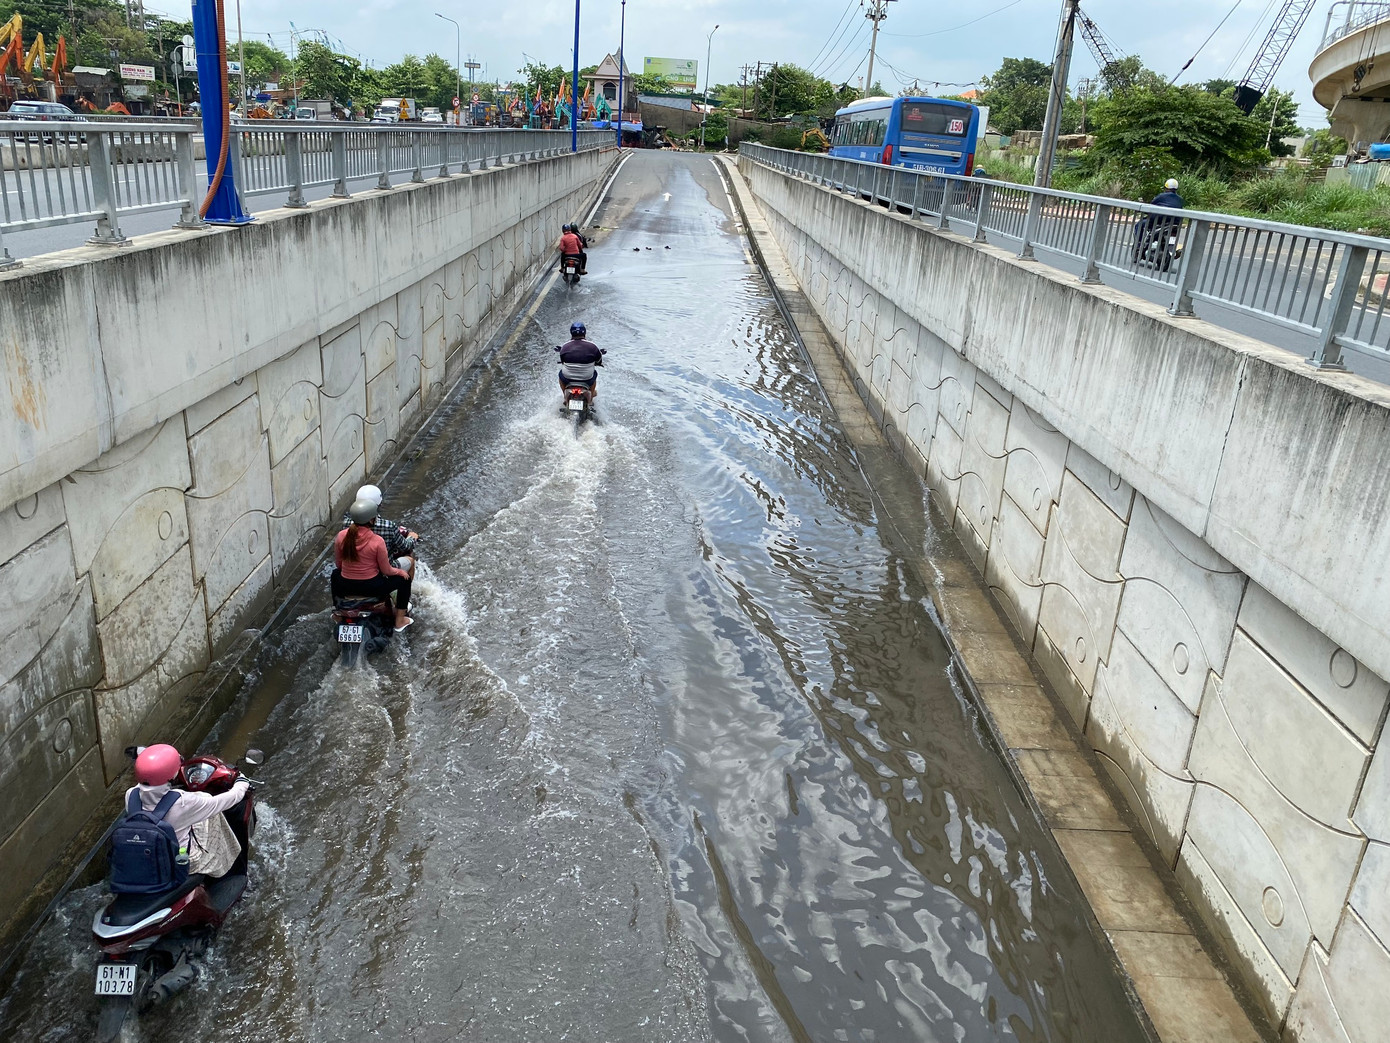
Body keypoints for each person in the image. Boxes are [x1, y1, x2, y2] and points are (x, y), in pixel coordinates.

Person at [126, 744, 250, 880]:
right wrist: (241, 784)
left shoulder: (130, 795)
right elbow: (222, 802)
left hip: (146, 859)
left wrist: (143, 756)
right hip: (180, 863)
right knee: (212, 811)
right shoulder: (182, 802)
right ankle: (232, 871)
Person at [334, 498, 413, 631]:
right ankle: (399, 620)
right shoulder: (377, 541)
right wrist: (400, 572)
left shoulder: (341, 536)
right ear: (371, 520)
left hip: (346, 586)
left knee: (335, 575)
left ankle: (338, 612)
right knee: (405, 580)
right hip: (372, 587)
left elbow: (339, 565)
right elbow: (387, 570)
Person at [341, 484, 418, 574]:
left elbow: (339, 562)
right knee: (410, 560)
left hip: (354, 572)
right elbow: (405, 547)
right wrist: (412, 537)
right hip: (381, 571)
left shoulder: (346, 524)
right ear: (379, 505)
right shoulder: (388, 526)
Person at [1134, 178, 1185, 261]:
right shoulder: (1180, 199)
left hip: (1158, 221)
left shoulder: (1161, 196)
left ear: (1166, 187)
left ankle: (1139, 246)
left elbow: (1151, 206)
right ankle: (1172, 250)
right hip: (1174, 223)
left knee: (1139, 225)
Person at [555, 321, 604, 400]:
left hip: (568, 378)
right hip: (587, 378)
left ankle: (565, 397)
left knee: (561, 374)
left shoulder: (565, 346)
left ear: (571, 332)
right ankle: (590, 398)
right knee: (594, 374)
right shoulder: (592, 346)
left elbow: (563, 361)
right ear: (584, 332)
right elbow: (599, 360)